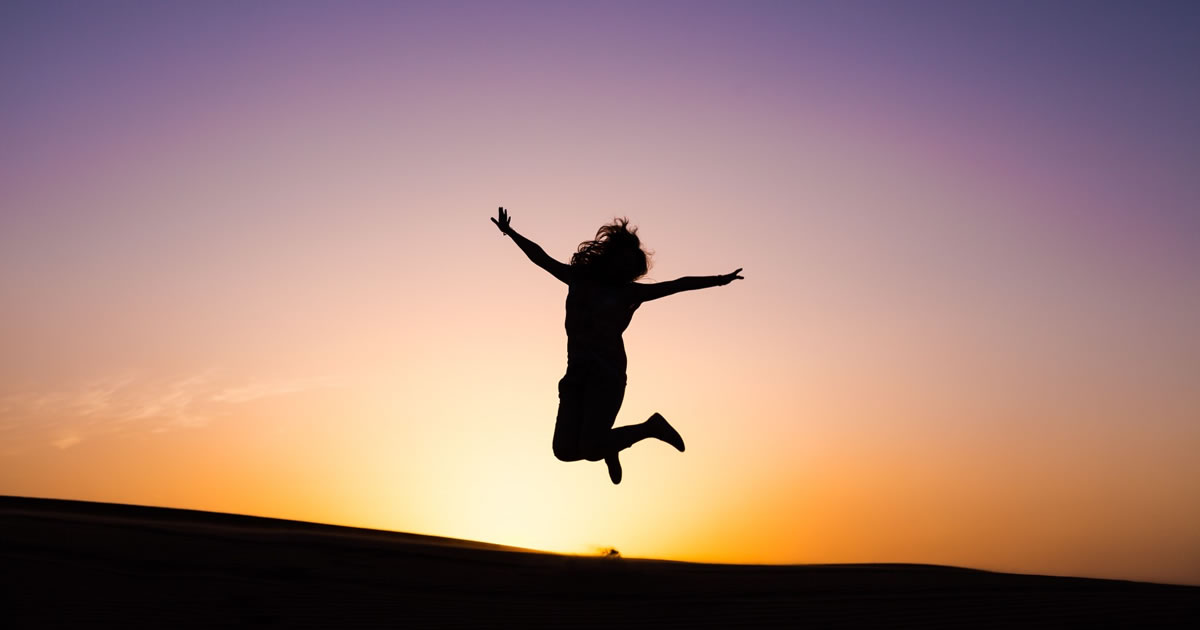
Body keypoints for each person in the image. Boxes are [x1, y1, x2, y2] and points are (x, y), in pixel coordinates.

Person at [491, 207, 743, 484]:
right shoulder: (579, 278)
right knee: (563, 451)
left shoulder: (630, 293)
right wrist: (511, 232)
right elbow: (540, 258)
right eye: (619, 262)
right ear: (609, 258)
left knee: (589, 447)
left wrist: (720, 280)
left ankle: (650, 428)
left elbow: (677, 285)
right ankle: (613, 445)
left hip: (607, 376)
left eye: (628, 267)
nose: (622, 270)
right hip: (576, 374)